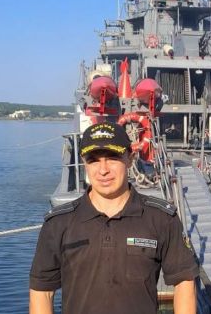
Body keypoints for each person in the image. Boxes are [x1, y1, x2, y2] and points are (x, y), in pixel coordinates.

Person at [29, 122, 199, 314]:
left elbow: (184, 282)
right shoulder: (58, 224)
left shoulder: (161, 219)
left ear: (130, 159)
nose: (103, 170)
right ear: (84, 163)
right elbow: (42, 291)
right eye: (93, 160)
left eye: (112, 158)